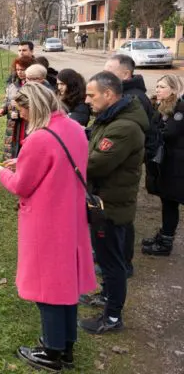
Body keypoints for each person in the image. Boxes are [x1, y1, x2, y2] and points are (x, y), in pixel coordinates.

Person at [0, 83, 96, 372]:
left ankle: (52, 350)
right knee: (66, 283)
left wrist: (1, 172)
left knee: (48, 287)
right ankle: (66, 344)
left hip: (46, 221)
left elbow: (22, 185)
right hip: (71, 217)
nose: (20, 116)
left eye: (22, 110)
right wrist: (22, 161)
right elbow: (57, 165)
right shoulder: (74, 128)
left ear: (33, 107)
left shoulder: (39, 138)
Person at [79, 71, 149, 334]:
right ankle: (107, 296)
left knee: (112, 262)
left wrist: (66, 158)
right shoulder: (110, 119)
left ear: (108, 94)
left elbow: (94, 164)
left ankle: (112, 317)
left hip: (110, 206)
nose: (87, 100)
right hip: (105, 201)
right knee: (107, 257)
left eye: (91, 95)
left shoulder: (124, 127)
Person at [104, 54, 154, 275]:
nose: (105, 74)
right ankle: (116, 257)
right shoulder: (126, 94)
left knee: (122, 217)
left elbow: (134, 137)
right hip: (121, 162)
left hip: (126, 165)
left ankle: (124, 263)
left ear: (125, 74)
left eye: (110, 70)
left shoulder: (135, 98)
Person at [142, 75, 184, 256]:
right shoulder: (162, 106)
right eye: (157, 86)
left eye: (162, 87)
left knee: (171, 202)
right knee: (167, 202)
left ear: (173, 89)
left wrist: (152, 132)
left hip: (176, 166)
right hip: (168, 164)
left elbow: (169, 133)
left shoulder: (179, 108)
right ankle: (164, 236)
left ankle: (166, 242)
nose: (158, 89)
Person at [0, 56, 34, 160]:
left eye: (22, 69)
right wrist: (3, 109)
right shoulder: (12, 86)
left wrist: (19, 111)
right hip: (13, 124)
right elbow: (7, 100)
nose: (19, 72)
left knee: (26, 147)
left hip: (27, 123)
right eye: (17, 69)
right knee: (13, 147)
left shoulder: (33, 86)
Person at [104, 54, 154, 119]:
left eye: (109, 73)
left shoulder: (134, 99)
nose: (103, 76)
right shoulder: (118, 92)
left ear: (126, 74)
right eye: (104, 73)